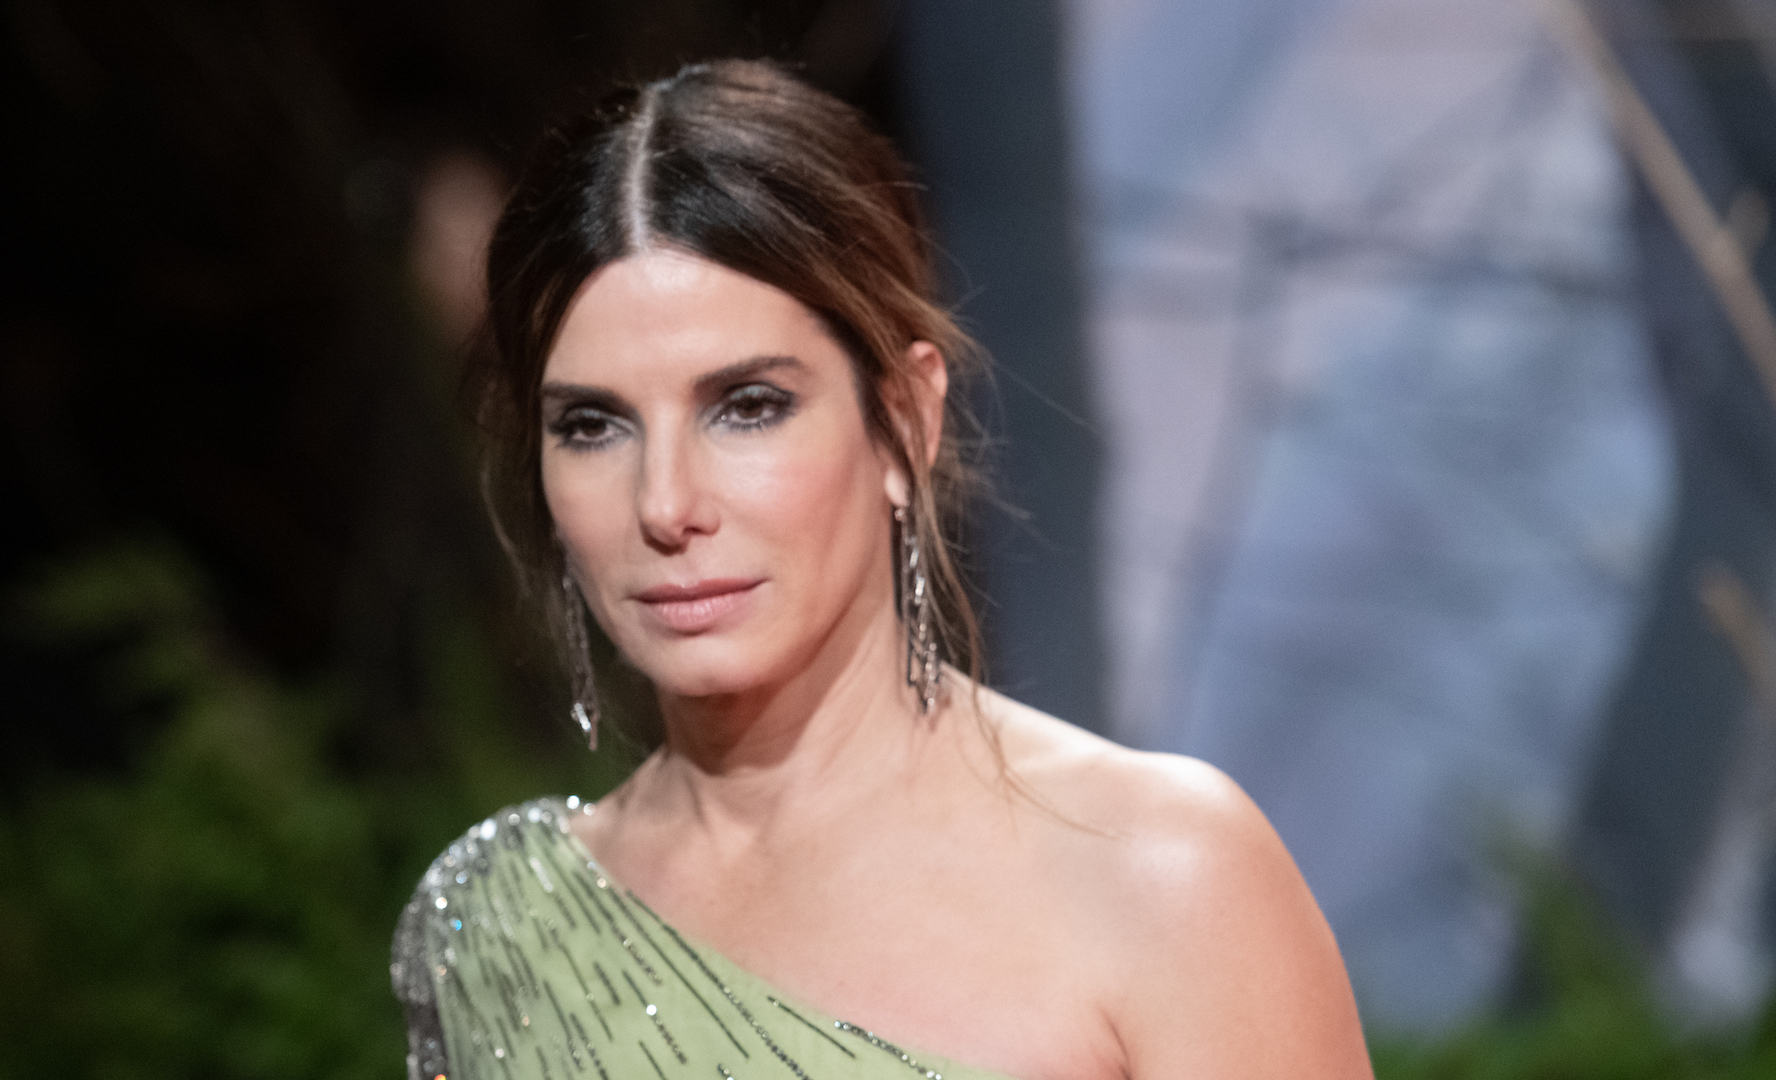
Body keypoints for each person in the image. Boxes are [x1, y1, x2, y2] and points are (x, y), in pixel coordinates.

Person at [391, 59, 1373, 1080]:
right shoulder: (503, 931)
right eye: (594, 426)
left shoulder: (1161, 877)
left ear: (904, 421)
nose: (665, 504)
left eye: (748, 408)